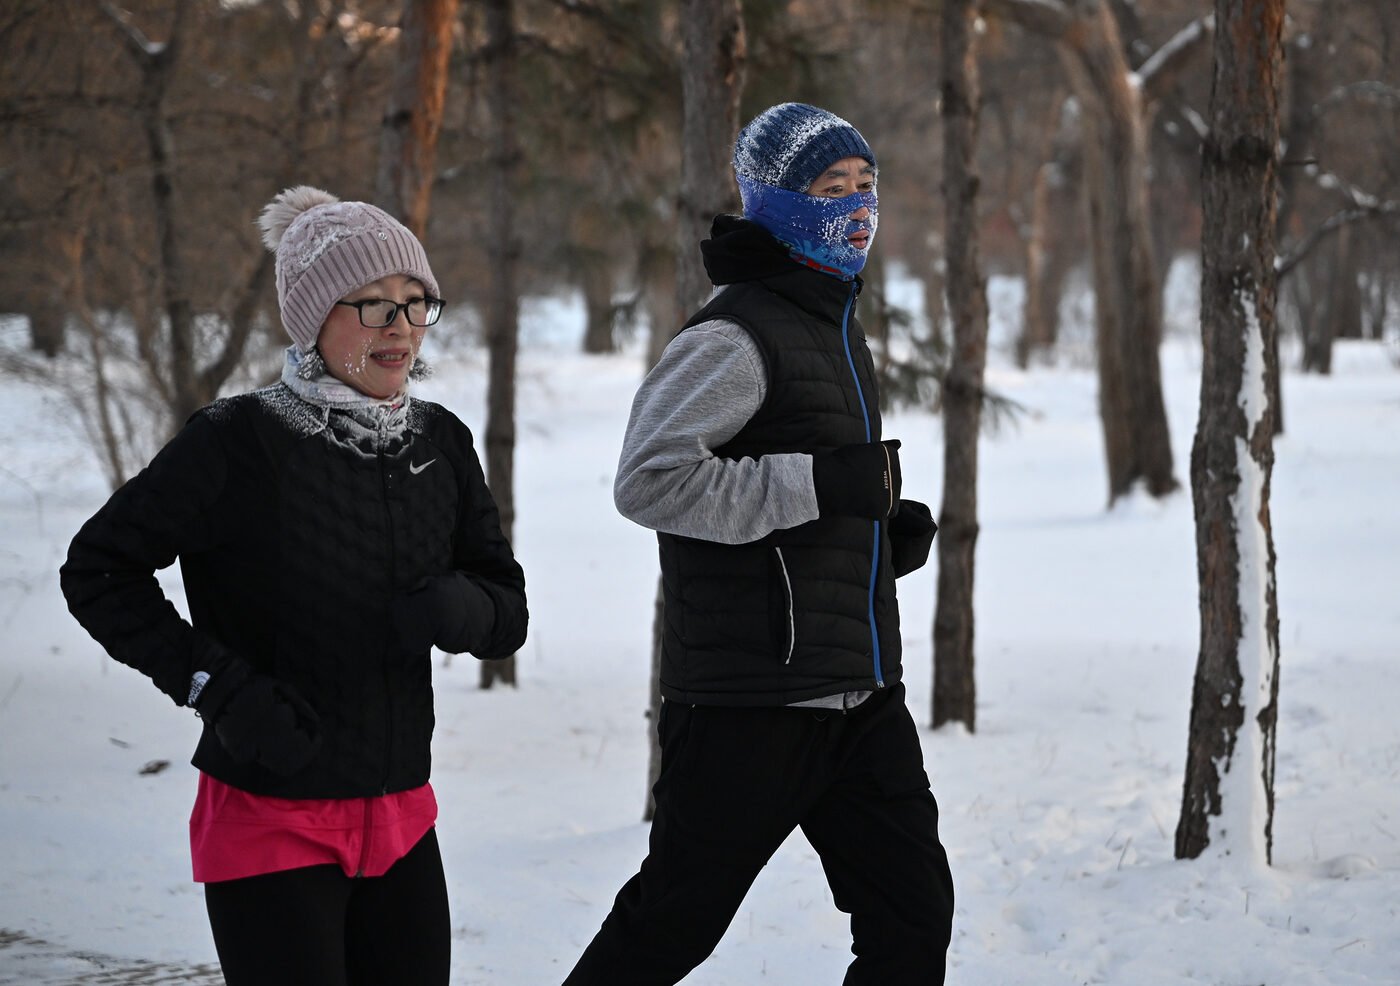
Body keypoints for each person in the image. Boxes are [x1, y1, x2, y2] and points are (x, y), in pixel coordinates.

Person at [60, 186, 528, 986]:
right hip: (268, 816)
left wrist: (467, 608)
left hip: (402, 819)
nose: (403, 329)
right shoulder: (238, 442)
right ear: (315, 319)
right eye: (374, 306)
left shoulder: (439, 442)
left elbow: (506, 609)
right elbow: (99, 570)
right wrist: (220, 689)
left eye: (417, 305)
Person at [562, 103, 955, 986]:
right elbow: (649, 482)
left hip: (858, 701)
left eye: (866, 186)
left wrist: (873, 539)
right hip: (750, 707)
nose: (856, 207)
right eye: (830, 188)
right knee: (671, 927)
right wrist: (821, 487)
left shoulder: (834, 321)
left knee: (913, 922)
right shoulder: (733, 335)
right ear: (776, 203)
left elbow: (794, 501)